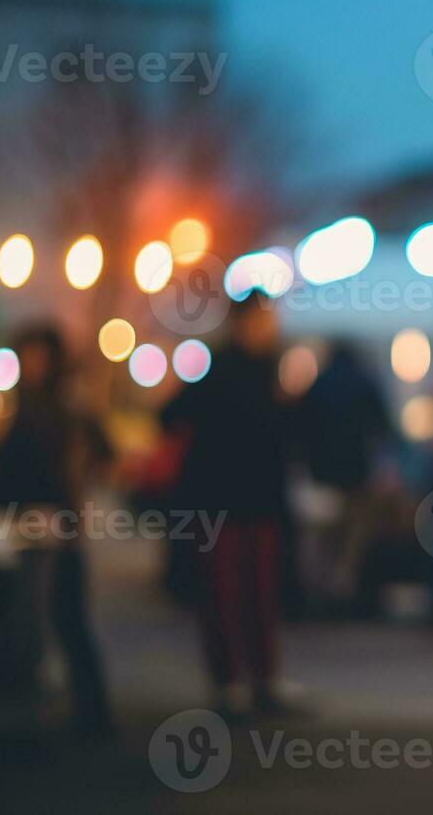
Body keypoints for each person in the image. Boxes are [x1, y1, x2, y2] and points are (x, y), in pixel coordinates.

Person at [161, 298, 296, 718]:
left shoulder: (270, 368)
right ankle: (230, 682)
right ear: (245, 321)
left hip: (258, 501)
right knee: (225, 594)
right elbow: (171, 415)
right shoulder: (221, 369)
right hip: (222, 502)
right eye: (264, 319)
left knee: (260, 593)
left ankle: (261, 678)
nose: (269, 327)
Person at [0, 325, 115, 736]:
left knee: (61, 618)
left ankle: (85, 713)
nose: (32, 364)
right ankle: (84, 711)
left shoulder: (61, 408)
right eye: (26, 354)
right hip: (33, 526)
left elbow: (100, 456)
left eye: (39, 355)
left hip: (54, 527)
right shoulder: (28, 404)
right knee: (55, 619)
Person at [295, 340, 393, 610]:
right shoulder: (364, 383)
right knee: (351, 538)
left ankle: (320, 591)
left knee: (322, 536)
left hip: (323, 473)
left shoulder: (319, 385)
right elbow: (383, 427)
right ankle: (344, 591)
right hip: (357, 474)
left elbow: (301, 429)